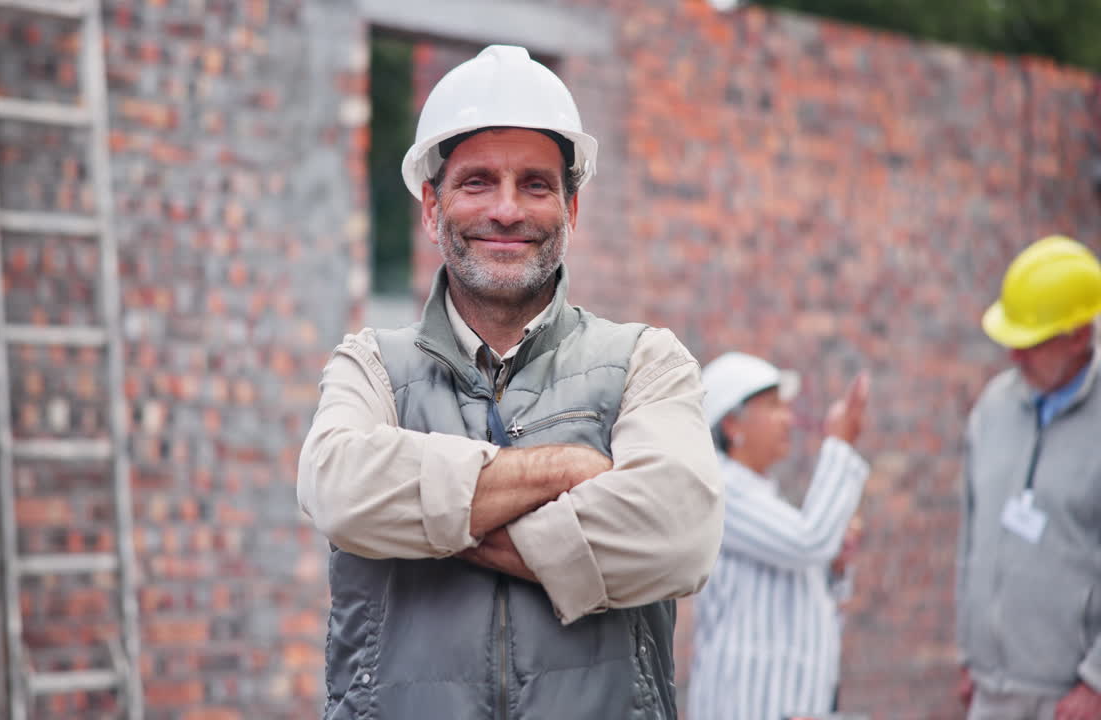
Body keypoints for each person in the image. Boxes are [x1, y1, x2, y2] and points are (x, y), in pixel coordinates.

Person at [296, 44, 724, 719]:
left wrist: (442, 522)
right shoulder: (372, 364)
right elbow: (340, 491)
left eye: (534, 184)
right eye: (477, 182)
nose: (505, 210)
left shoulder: (646, 361)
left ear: (571, 208)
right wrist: (568, 469)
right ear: (433, 206)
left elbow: (681, 533)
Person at [956, 235, 1101, 720]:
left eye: (1030, 343)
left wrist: (1097, 680)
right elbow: (971, 538)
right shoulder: (993, 409)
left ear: (1079, 336)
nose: (1013, 358)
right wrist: (968, 651)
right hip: (991, 689)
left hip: (1073, 699)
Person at [688, 351, 871, 720]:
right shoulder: (718, 490)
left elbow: (809, 584)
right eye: (773, 406)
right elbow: (809, 541)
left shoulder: (760, 495)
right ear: (732, 425)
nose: (789, 418)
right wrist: (840, 444)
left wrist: (834, 566)